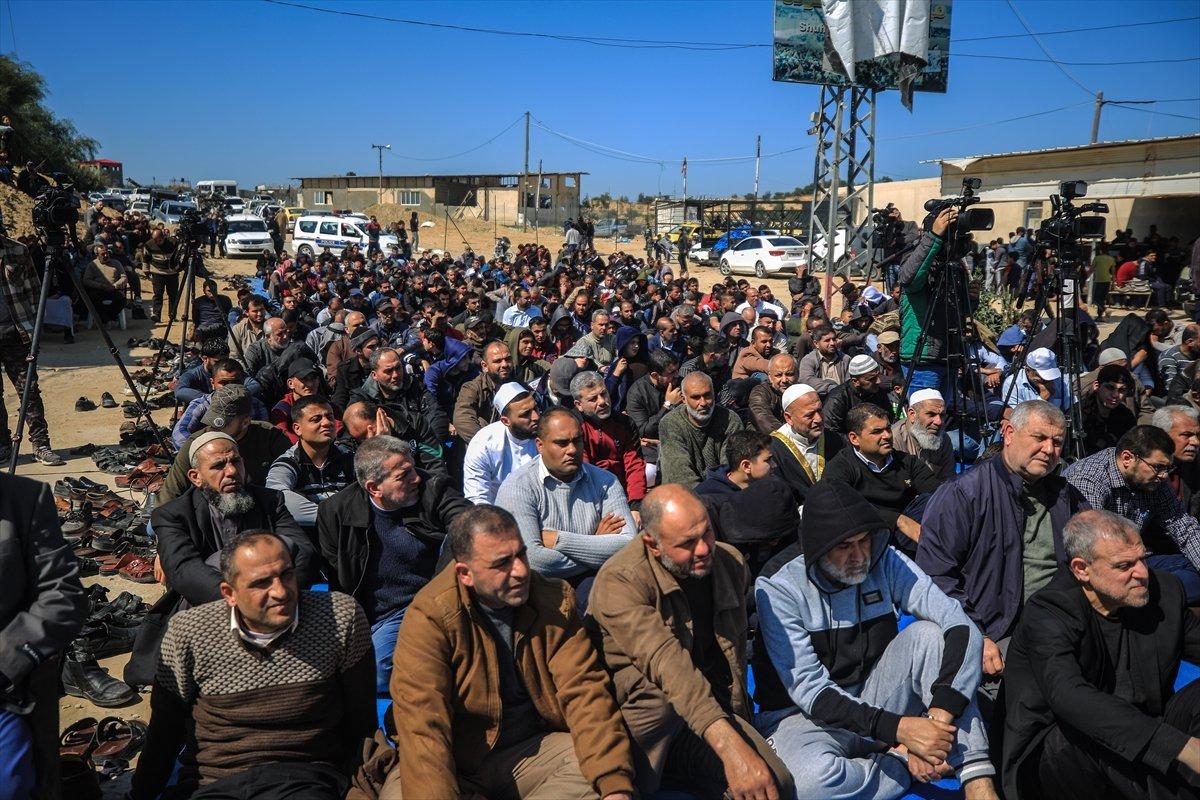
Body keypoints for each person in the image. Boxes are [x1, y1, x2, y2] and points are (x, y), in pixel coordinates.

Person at [755, 480, 999, 800]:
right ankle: (896, 761)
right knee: (806, 784)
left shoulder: (884, 560)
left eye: (864, 541)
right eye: (845, 546)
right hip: (804, 720)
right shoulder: (778, 589)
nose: (859, 556)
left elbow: (958, 622)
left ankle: (977, 781)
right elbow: (811, 692)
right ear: (817, 548)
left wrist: (939, 716)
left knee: (929, 636)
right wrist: (902, 732)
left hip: (877, 697)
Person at [381, 505, 636, 800]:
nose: (521, 571)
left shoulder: (553, 599)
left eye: (522, 555)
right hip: (456, 758)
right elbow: (424, 727)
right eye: (502, 563)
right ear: (465, 573)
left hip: (530, 749)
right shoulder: (430, 616)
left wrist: (614, 786)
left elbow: (585, 692)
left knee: (594, 776)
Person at [129, 531, 375, 800]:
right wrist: (139, 794)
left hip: (305, 778)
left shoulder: (339, 618)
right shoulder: (188, 633)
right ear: (229, 593)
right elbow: (165, 731)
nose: (281, 592)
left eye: (287, 575)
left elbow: (361, 721)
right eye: (261, 583)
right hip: (216, 781)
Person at [589, 485, 794, 799]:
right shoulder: (621, 580)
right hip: (644, 720)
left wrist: (739, 731)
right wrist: (730, 748)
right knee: (661, 701)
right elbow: (667, 665)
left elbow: (734, 655)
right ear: (651, 544)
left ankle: (684, 767)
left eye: (707, 533)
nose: (703, 549)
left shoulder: (730, 563)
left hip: (706, 709)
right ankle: (645, 774)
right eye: (687, 543)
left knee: (772, 785)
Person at [1001, 510, 1200, 800]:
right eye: (1124, 565)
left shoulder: (1164, 592)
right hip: (1062, 753)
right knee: (1079, 736)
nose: (1142, 573)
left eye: (1143, 558)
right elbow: (1069, 696)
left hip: (1146, 728)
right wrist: (1182, 748)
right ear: (1082, 569)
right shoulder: (1048, 612)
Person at [918, 400, 1090, 705]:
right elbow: (935, 577)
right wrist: (975, 635)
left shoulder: (1067, 495)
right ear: (1009, 432)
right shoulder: (964, 493)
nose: (1049, 450)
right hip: (997, 631)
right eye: (1039, 438)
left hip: (1062, 625)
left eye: (1058, 442)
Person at [316, 435, 469, 695]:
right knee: (357, 671)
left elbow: (468, 522)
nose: (416, 479)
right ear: (374, 487)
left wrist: (433, 599)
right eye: (404, 475)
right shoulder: (335, 511)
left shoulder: (434, 488)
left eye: (413, 468)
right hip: (377, 615)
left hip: (430, 601)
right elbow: (337, 575)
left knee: (462, 537)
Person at [494, 407, 636, 610]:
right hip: (538, 594)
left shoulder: (605, 481)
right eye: (561, 443)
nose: (572, 450)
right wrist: (597, 545)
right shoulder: (518, 487)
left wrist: (560, 540)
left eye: (577, 441)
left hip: (595, 583)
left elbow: (628, 545)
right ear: (540, 445)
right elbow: (534, 561)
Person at [0, 474, 87, 800]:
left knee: (11, 785)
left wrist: (6, 663)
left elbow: (62, 596)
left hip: (8, 687)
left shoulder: (24, 498)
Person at [1065, 425, 1200, 604]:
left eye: (1168, 468)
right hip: (1105, 565)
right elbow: (1093, 546)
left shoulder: (1154, 480)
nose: (1164, 476)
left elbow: (1184, 528)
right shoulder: (1089, 479)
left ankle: (1155, 596)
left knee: (1191, 569)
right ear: (1127, 458)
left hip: (1139, 559)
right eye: (1158, 467)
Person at [821, 403, 940, 555]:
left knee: (934, 501)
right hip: (868, 537)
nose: (887, 436)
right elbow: (837, 506)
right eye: (877, 432)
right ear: (854, 438)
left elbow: (937, 492)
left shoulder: (906, 462)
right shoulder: (841, 467)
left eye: (888, 428)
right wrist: (897, 520)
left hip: (911, 533)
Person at [159, 386, 291, 505]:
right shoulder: (197, 443)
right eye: (211, 422)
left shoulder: (270, 436)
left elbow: (293, 476)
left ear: (245, 422)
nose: (213, 429)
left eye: (222, 424)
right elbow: (170, 494)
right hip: (213, 510)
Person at [0, 230, 63, 465]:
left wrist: (35, 329)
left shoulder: (18, 250)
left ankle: (40, 444)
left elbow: (35, 292)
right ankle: (3, 446)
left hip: (17, 334)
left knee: (29, 390)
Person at [265, 396, 354, 529]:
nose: (326, 423)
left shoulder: (350, 458)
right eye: (316, 419)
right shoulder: (289, 463)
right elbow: (276, 495)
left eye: (330, 417)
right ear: (297, 429)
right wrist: (333, 519)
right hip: (311, 539)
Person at [899, 207, 958, 392]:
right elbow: (908, 278)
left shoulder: (953, 264)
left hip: (949, 356)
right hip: (922, 359)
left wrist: (971, 299)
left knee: (944, 418)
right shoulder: (915, 259)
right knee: (925, 418)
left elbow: (957, 310)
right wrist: (934, 236)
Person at [572, 371, 647, 510]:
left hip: (624, 493)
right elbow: (583, 471)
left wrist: (636, 505)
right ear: (579, 405)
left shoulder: (625, 423)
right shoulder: (573, 427)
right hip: (590, 498)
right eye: (593, 399)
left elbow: (634, 464)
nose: (602, 402)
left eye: (604, 393)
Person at [657, 371, 744, 488]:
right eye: (695, 397)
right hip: (687, 496)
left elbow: (733, 469)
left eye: (707, 395)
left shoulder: (730, 419)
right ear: (683, 399)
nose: (703, 403)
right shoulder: (671, 423)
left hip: (723, 493)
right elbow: (680, 475)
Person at [462, 383, 541, 505]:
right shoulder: (483, 445)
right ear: (505, 421)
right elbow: (478, 499)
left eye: (535, 408)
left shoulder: (548, 432)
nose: (536, 417)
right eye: (525, 414)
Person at [768, 383, 833, 501]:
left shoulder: (833, 438)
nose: (818, 419)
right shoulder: (773, 450)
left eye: (819, 410)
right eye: (809, 415)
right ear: (789, 418)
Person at [625, 349, 680, 472]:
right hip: (651, 447)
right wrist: (668, 405)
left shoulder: (680, 383)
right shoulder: (637, 392)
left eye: (677, 370)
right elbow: (644, 431)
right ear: (655, 375)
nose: (677, 375)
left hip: (679, 439)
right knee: (649, 472)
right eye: (671, 372)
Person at [452, 340, 513, 444]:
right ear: (485, 366)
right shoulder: (472, 388)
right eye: (497, 361)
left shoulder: (517, 386)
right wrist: (489, 444)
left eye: (508, 359)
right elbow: (462, 419)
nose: (505, 364)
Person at [822, 354, 894, 439]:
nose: (878, 381)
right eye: (871, 379)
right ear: (856, 381)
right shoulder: (837, 399)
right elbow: (831, 433)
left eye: (878, 376)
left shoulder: (878, 391)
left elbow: (889, 419)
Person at [891, 388, 955, 481]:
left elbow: (948, 478)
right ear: (912, 414)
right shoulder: (894, 439)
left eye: (942, 415)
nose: (939, 421)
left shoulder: (943, 438)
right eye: (931, 414)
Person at [694, 429, 775, 496]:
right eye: (768, 460)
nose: (774, 465)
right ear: (746, 466)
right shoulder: (707, 497)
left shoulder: (773, 488)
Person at [1080, 363, 1137, 456]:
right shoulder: (1080, 413)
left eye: (1122, 390)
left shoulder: (1126, 416)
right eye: (1110, 388)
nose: (1115, 395)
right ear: (1097, 386)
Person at [1154, 404, 1200, 519]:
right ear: (1163, 435)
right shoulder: (1142, 468)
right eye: (1186, 435)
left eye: (1198, 435)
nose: (1195, 442)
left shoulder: (1195, 465)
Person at [1000, 346, 1073, 411]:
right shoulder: (1012, 384)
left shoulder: (1059, 379)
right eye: (1041, 376)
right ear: (1028, 370)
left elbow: (1070, 406)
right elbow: (1017, 418)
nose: (1047, 380)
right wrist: (1042, 400)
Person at [137, 226, 180, 323]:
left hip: (172, 273)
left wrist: (178, 268)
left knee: (173, 295)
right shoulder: (149, 245)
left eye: (159, 240)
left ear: (164, 237)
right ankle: (156, 314)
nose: (157, 243)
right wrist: (147, 272)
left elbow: (180, 256)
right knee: (158, 294)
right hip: (157, 272)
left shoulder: (174, 243)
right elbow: (146, 258)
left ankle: (172, 315)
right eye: (155, 240)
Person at [797, 323, 851, 397]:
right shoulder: (808, 360)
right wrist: (833, 388)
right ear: (816, 344)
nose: (832, 343)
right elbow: (807, 380)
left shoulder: (845, 359)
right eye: (827, 340)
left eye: (834, 339)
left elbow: (849, 383)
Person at [748, 353, 797, 434]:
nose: (784, 380)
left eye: (789, 374)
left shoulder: (802, 392)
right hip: (763, 441)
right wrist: (789, 438)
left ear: (798, 374)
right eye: (778, 375)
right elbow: (762, 418)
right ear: (770, 377)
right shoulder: (760, 392)